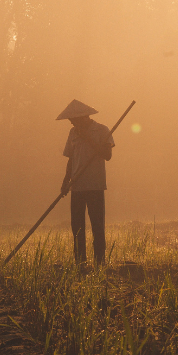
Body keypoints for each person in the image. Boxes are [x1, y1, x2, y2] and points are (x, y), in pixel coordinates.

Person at [58, 100, 114, 271]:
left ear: (84, 117)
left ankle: (100, 262)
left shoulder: (102, 130)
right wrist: (65, 181)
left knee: (97, 225)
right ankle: (80, 262)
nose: (72, 122)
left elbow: (107, 155)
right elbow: (71, 159)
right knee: (77, 227)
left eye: (74, 119)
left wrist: (88, 138)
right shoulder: (72, 133)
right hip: (77, 185)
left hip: (95, 185)